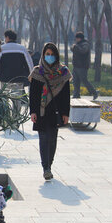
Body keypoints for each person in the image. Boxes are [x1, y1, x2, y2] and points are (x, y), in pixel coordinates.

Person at [28, 43, 71, 180]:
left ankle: (49, 165)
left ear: (56, 56)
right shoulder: (37, 72)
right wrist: (32, 112)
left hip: (56, 111)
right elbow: (33, 94)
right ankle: (45, 167)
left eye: (52, 54)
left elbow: (66, 95)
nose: (50, 57)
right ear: (43, 55)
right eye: (47, 54)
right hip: (41, 112)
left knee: (52, 140)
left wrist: (66, 113)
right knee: (43, 139)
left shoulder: (63, 72)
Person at [71, 32, 99, 100]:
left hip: (82, 66)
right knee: (75, 81)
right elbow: (73, 48)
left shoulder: (85, 44)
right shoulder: (78, 44)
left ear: (79, 38)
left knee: (84, 80)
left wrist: (76, 47)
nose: (76, 40)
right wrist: (74, 47)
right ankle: (76, 94)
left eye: (77, 38)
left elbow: (83, 51)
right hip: (76, 66)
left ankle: (94, 92)